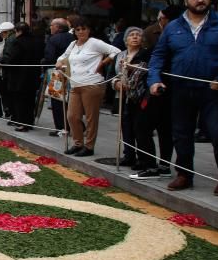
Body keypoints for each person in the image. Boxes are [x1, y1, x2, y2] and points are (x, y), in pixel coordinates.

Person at [149, 0, 218, 194]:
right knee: (181, 133)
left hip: (212, 88)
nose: (200, 1)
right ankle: (184, 174)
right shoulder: (173, 26)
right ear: (186, 0)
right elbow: (158, 56)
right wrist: (154, 79)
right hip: (180, 87)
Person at [57, 17, 120, 156]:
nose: (81, 32)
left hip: (92, 84)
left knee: (91, 118)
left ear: (89, 30)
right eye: (78, 29)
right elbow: (63, 57)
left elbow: (116, 51)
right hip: (75, 84)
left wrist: (103, 63)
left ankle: (89, 146)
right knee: (72, 116)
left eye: (83, 29)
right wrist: (59, 63)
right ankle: (78, 143)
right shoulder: (73, 44)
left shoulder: (94, 43)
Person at [112, 27, 151, 170]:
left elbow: (147, 73)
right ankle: (129, 155)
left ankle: (143, 159)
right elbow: (112, 74)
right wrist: (115, 83)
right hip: (122, 95)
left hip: (139, 95)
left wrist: (132, 69)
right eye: (131, 35)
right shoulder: (120, 55)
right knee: (126, 126)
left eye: (138, 35)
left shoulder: (145, 54)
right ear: (126, 39)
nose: (135, 37)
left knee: (139, 127)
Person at [42, 18, 75, 137]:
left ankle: (61, 127)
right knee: (71, 101)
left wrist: (44, 63)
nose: (50, 28)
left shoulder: (54, 39)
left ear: (58, 27)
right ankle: (74, 125)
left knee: (57, 100)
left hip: (57, 72)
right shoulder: (73, 38)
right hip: (73, 72)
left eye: (52, 25)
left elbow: (49, 56)